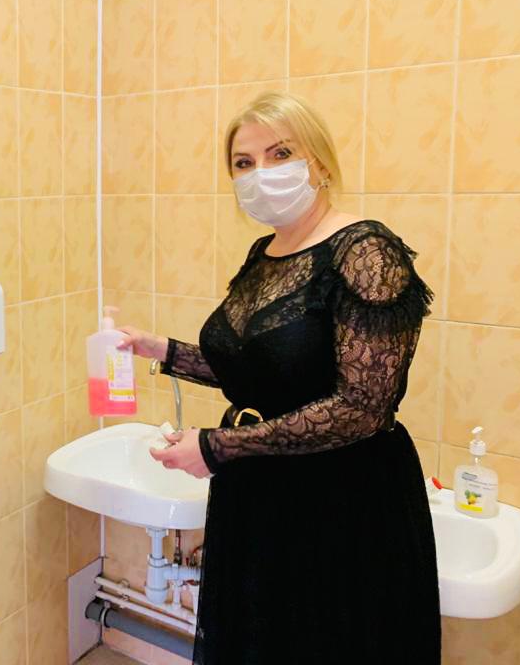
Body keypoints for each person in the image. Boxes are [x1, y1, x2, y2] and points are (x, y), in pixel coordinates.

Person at [119, 92, 440, 664]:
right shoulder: (265, 252)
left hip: (340, 499)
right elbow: (258, 371)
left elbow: (362, 407)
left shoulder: (366, 251)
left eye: (280, 153)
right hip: (259, 488)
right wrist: (160, 350)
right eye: (243, 163)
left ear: (319, 161)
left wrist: (217, 447)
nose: (260, 173)